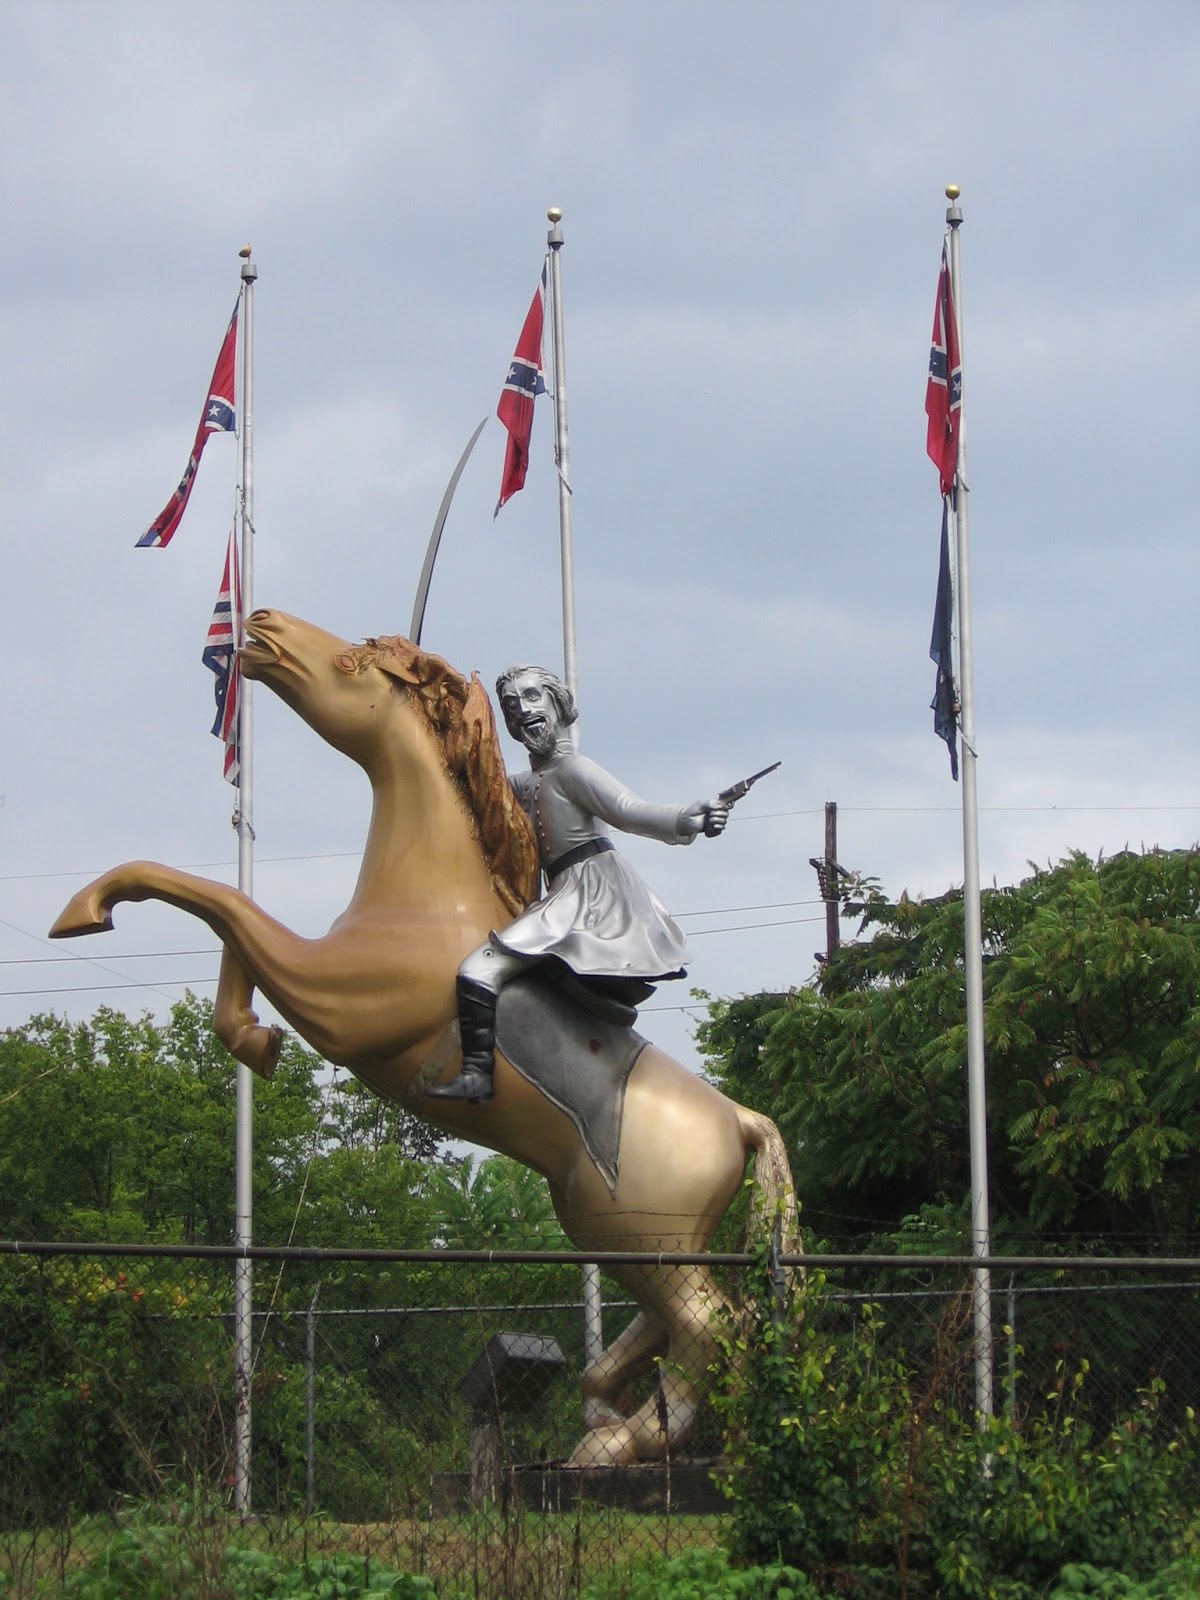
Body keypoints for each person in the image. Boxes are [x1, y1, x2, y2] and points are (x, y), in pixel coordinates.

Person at [427, 664, 729, 1103]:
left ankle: (479, 1070)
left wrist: (689, 817)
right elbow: (474, 794)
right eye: (511, 707)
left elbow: (628, 810)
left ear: (558, 703)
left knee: (480, 968)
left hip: (590, 893)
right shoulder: (523, 783)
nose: (522, 711)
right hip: (560, 894)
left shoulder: (573, 771)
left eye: (532, 697)